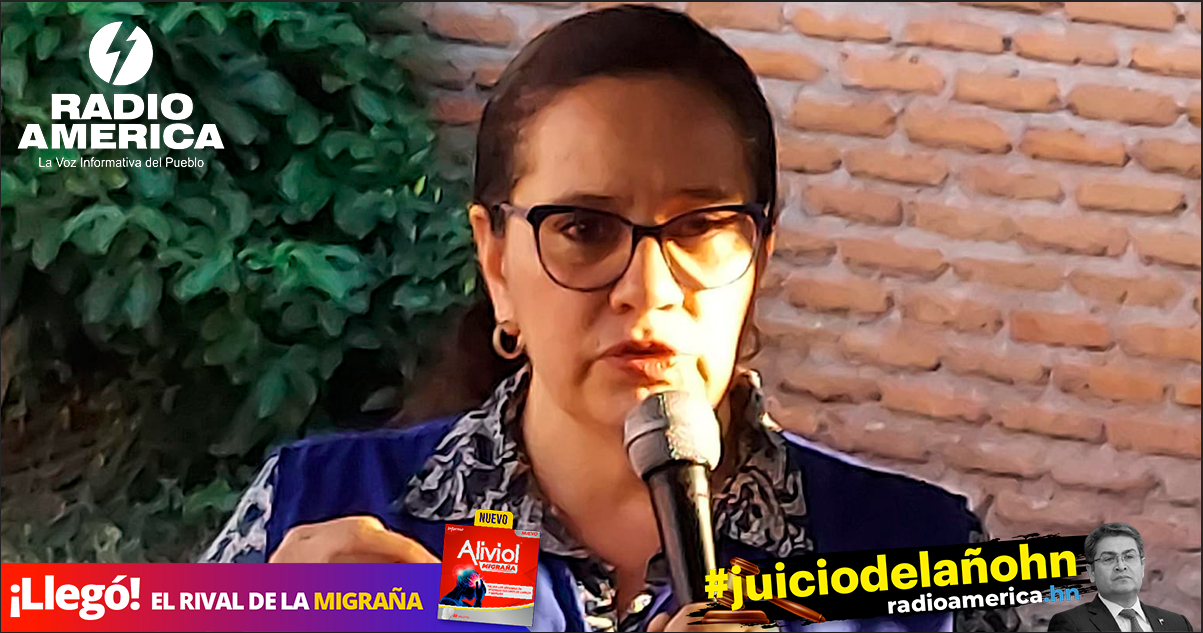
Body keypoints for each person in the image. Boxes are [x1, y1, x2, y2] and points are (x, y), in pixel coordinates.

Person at [200, 6, 1017, 632]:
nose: (647, 288)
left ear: (759, 256)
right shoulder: (317, 513)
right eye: (584, 229)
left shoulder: (920, 561)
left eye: (700, 227)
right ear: (496, 261)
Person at [1048, 523, 1193, 632]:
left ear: (1142, 566)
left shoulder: (1178, 624)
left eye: (1129, 557)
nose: (1121, 566)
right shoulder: (1070, 624)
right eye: (1108, 559)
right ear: (1091, 571)